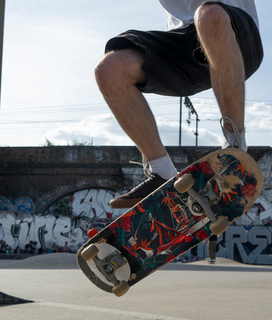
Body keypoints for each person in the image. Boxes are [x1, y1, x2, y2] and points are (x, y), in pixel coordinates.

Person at [96, 0, 263, 209]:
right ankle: (161, 173)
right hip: (184, 48)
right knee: (110, 69)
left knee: (209, 15)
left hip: (236, 35)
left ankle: (234, 148)